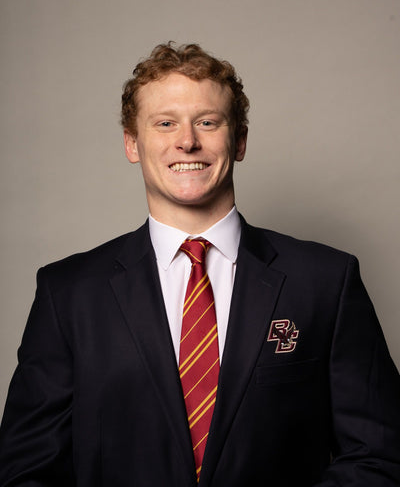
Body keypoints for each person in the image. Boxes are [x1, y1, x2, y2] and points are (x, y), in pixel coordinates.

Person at [0, 43, 399, 487]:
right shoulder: (68, 292)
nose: (187, 141)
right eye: (165, 123)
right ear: (132, 143)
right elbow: (27, 470)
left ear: (239, 140)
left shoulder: (325, 281)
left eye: (207, 122)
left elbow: (379, 454)